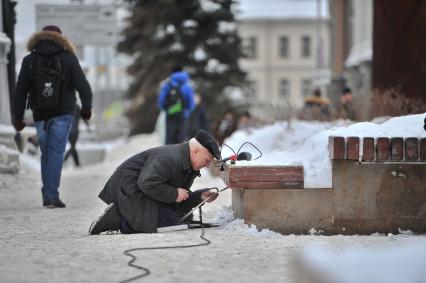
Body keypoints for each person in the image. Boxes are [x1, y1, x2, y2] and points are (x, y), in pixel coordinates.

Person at [13, 25, 93, 208]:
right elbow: (83, 85)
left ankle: (47, 192)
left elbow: (20, 91)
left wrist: (18, 117)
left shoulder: (30, 60)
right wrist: (86, 108)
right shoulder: (69, 58)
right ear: (60, 38)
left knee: (46, 153)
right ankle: (51, 195)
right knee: (56, 153)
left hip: (40, 114)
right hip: (63, 112)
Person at [89, 130, 221, 235]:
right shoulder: (170, 158)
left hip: (144, 189)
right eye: (207, 160)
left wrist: (199, 197)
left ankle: (125, 216)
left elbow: (179, 197)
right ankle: (117, 218)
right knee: (166, 223)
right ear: (196, 151)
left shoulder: (188, 164)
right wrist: (174, 194)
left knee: (182, 218)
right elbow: (147, 182)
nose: (207, 165)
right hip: (129, 188)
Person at [157, 66, 195, 144]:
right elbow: (191, 103)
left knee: (169, 138)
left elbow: (161, 101)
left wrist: (166, 110)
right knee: (180, 139)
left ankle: (168, 155)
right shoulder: (187, 86)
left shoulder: (167, 85)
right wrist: (186, 112)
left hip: (170, 115)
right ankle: (179, 155)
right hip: (183, 116)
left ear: (172, 73)